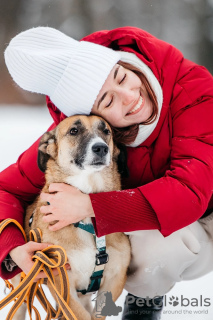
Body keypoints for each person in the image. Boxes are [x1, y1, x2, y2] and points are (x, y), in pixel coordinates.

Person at [1, 26, 213, 320]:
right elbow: (5, 190)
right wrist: (12, 248)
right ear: (94, 115)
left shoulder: (194, 89)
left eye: (122, 77)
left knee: (148, 249)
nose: (129, 96)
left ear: (123, 62)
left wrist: (90, 206)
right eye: (108, 102)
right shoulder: (75, 137)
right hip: (133, 216)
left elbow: (190, 192)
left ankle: (141, 310)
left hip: (203, 219)